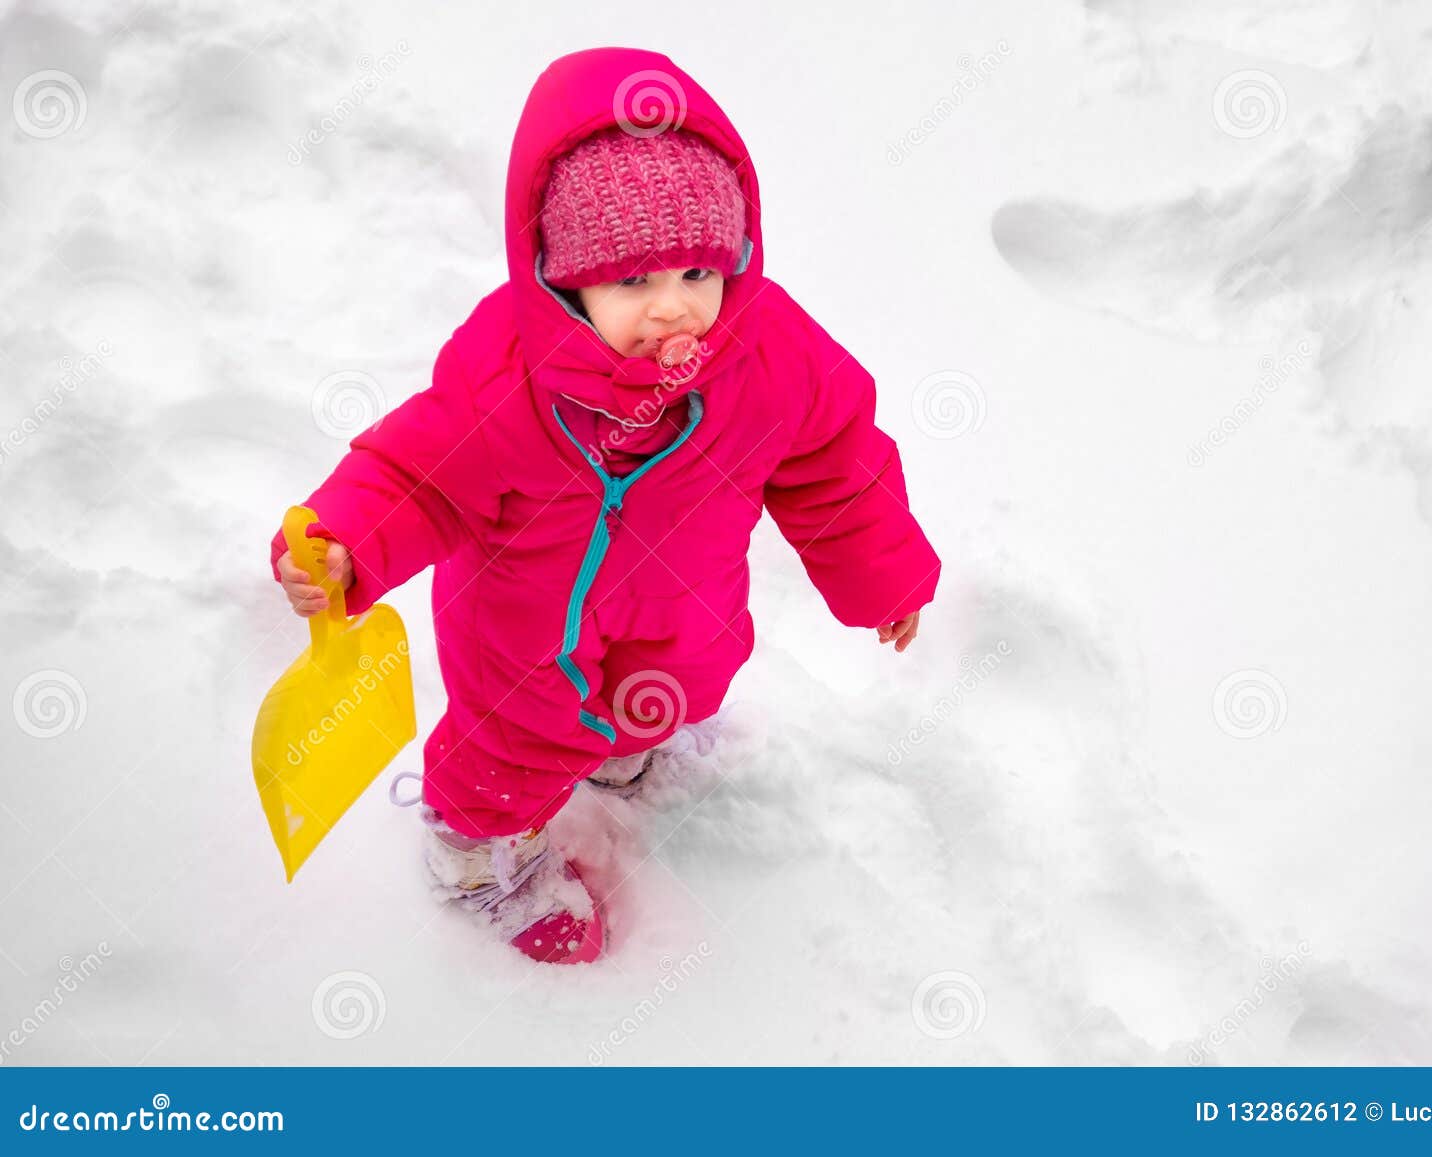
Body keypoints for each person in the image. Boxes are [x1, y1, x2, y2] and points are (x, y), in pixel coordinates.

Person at [270, 46, 941, 964]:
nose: (674, 311)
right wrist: (349, 543)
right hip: (525, 632)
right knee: (510, 747)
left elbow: (835, 456)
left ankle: (617, 748)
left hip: (683, 606)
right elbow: (416, 473)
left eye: (699, 275)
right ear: (564, 276)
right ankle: (477, 859)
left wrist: (883, 576)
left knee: (675, 686)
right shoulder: (509, 375)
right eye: (634, 282)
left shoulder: (770, 352)